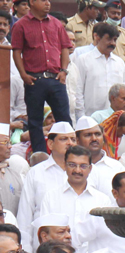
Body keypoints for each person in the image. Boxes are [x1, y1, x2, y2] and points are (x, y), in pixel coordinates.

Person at [10, 0, 73, 155]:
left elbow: (65, 47)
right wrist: (23, 75)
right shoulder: (20, 25)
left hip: (56, 78)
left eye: (48, 1)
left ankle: (70, 153)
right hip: (34, 80)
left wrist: (64, 71)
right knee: (35, 121)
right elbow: (16, 51)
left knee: (64, 119)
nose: (47, 3)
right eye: (43, 0)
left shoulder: (56, 23)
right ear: (32, 2)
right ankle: (40, 156)